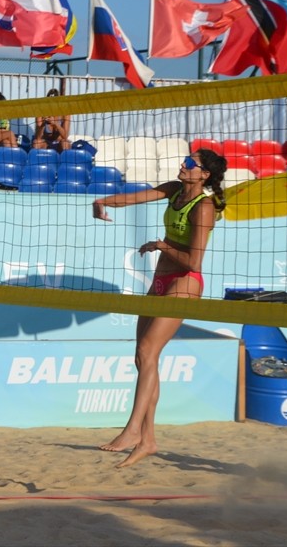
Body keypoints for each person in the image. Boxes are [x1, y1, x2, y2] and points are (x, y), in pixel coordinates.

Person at [91, 148, 228, 468]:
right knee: (143, 356)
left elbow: (195, 261)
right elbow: (135, 197)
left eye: (191, 162)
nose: (184, 164)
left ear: (204, 174)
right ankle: (149, 440)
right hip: (161, 280)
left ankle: (132, 430)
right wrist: (101, 202)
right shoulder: (174, 189)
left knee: (149, 350)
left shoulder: (204, 206)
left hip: (186, 282)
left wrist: (163, 245)